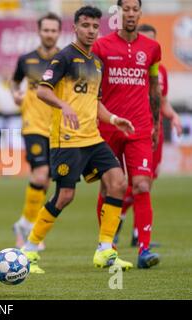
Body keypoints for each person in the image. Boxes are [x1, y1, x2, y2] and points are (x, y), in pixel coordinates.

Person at [21, 6, 135, 273]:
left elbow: (95, 103)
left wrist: (114, 119)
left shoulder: (97, 63)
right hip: (67, 140)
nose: (91, 31)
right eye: (85, 26)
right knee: (65, 196)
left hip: (92, 137)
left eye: (95, 26)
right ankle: (29, 250)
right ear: (75, 27)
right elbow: (42, 92)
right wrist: (65, 106)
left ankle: (105, 250)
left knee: (117, 182)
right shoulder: (64, 58)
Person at [92, 0, 162, 268]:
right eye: (126, 9)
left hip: (140, 127)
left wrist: (155, 124)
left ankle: (144, 250)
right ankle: (108, 246)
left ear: (140, 13)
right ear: (118, 13)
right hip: (109, 127)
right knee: (110, 186)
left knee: (142, 185)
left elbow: (153, 87)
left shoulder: (152, 48)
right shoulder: (101, 46)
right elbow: (92, 87)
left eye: (135, 9)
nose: (130, 13)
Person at [113, 23, 183, 247]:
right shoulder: (123, 66)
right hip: (131, 129)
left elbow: (161, 100)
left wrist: (173, 116)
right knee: (124, 184)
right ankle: (115, 227)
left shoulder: (160, 71)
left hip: (155, 130)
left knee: (146, 183)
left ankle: (136, 235)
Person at [10, 13, 62, 255]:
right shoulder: (26, 60)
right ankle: (30, 228)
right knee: (40, 175)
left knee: (47, 181)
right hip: (33, 125)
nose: (49, 34)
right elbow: (14, 81)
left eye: (53, 30)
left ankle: (22, 224)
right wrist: (16, 94)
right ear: (39, 31)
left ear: (59, 33)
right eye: (46, 30)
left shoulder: (66, 59)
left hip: (58, 129)